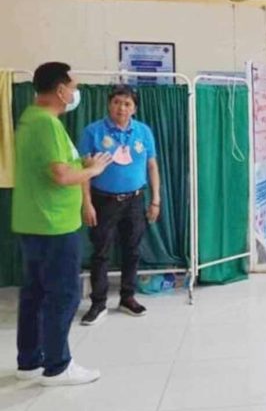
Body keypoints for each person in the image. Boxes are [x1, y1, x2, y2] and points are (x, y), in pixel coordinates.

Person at [12, 62, 111, 386]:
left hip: (35, 221)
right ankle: (57, 366)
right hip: (53, 224)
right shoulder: (46, 124)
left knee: (35, 294)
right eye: (73, 86)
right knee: (64, 295)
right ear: (60, 90)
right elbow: (61, 175)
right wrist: (93, 171)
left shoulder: (32, 118)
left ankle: (29, 361)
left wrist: (80, 163)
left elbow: (57, 165)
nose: (75, 92)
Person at [78, 85, 160, 326]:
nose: (121, 108)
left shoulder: (143, 132)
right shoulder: (93, 132)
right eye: (116, 102)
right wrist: (87, 204)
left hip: (135, 200)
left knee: (132, 251)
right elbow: (84, 170)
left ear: (134, 108)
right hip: (103, 201)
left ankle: (127, 297)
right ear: (109, 104)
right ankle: (98, 303)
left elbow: (152, 166)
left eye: (127, 104)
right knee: (100, 252)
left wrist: (156, 199)